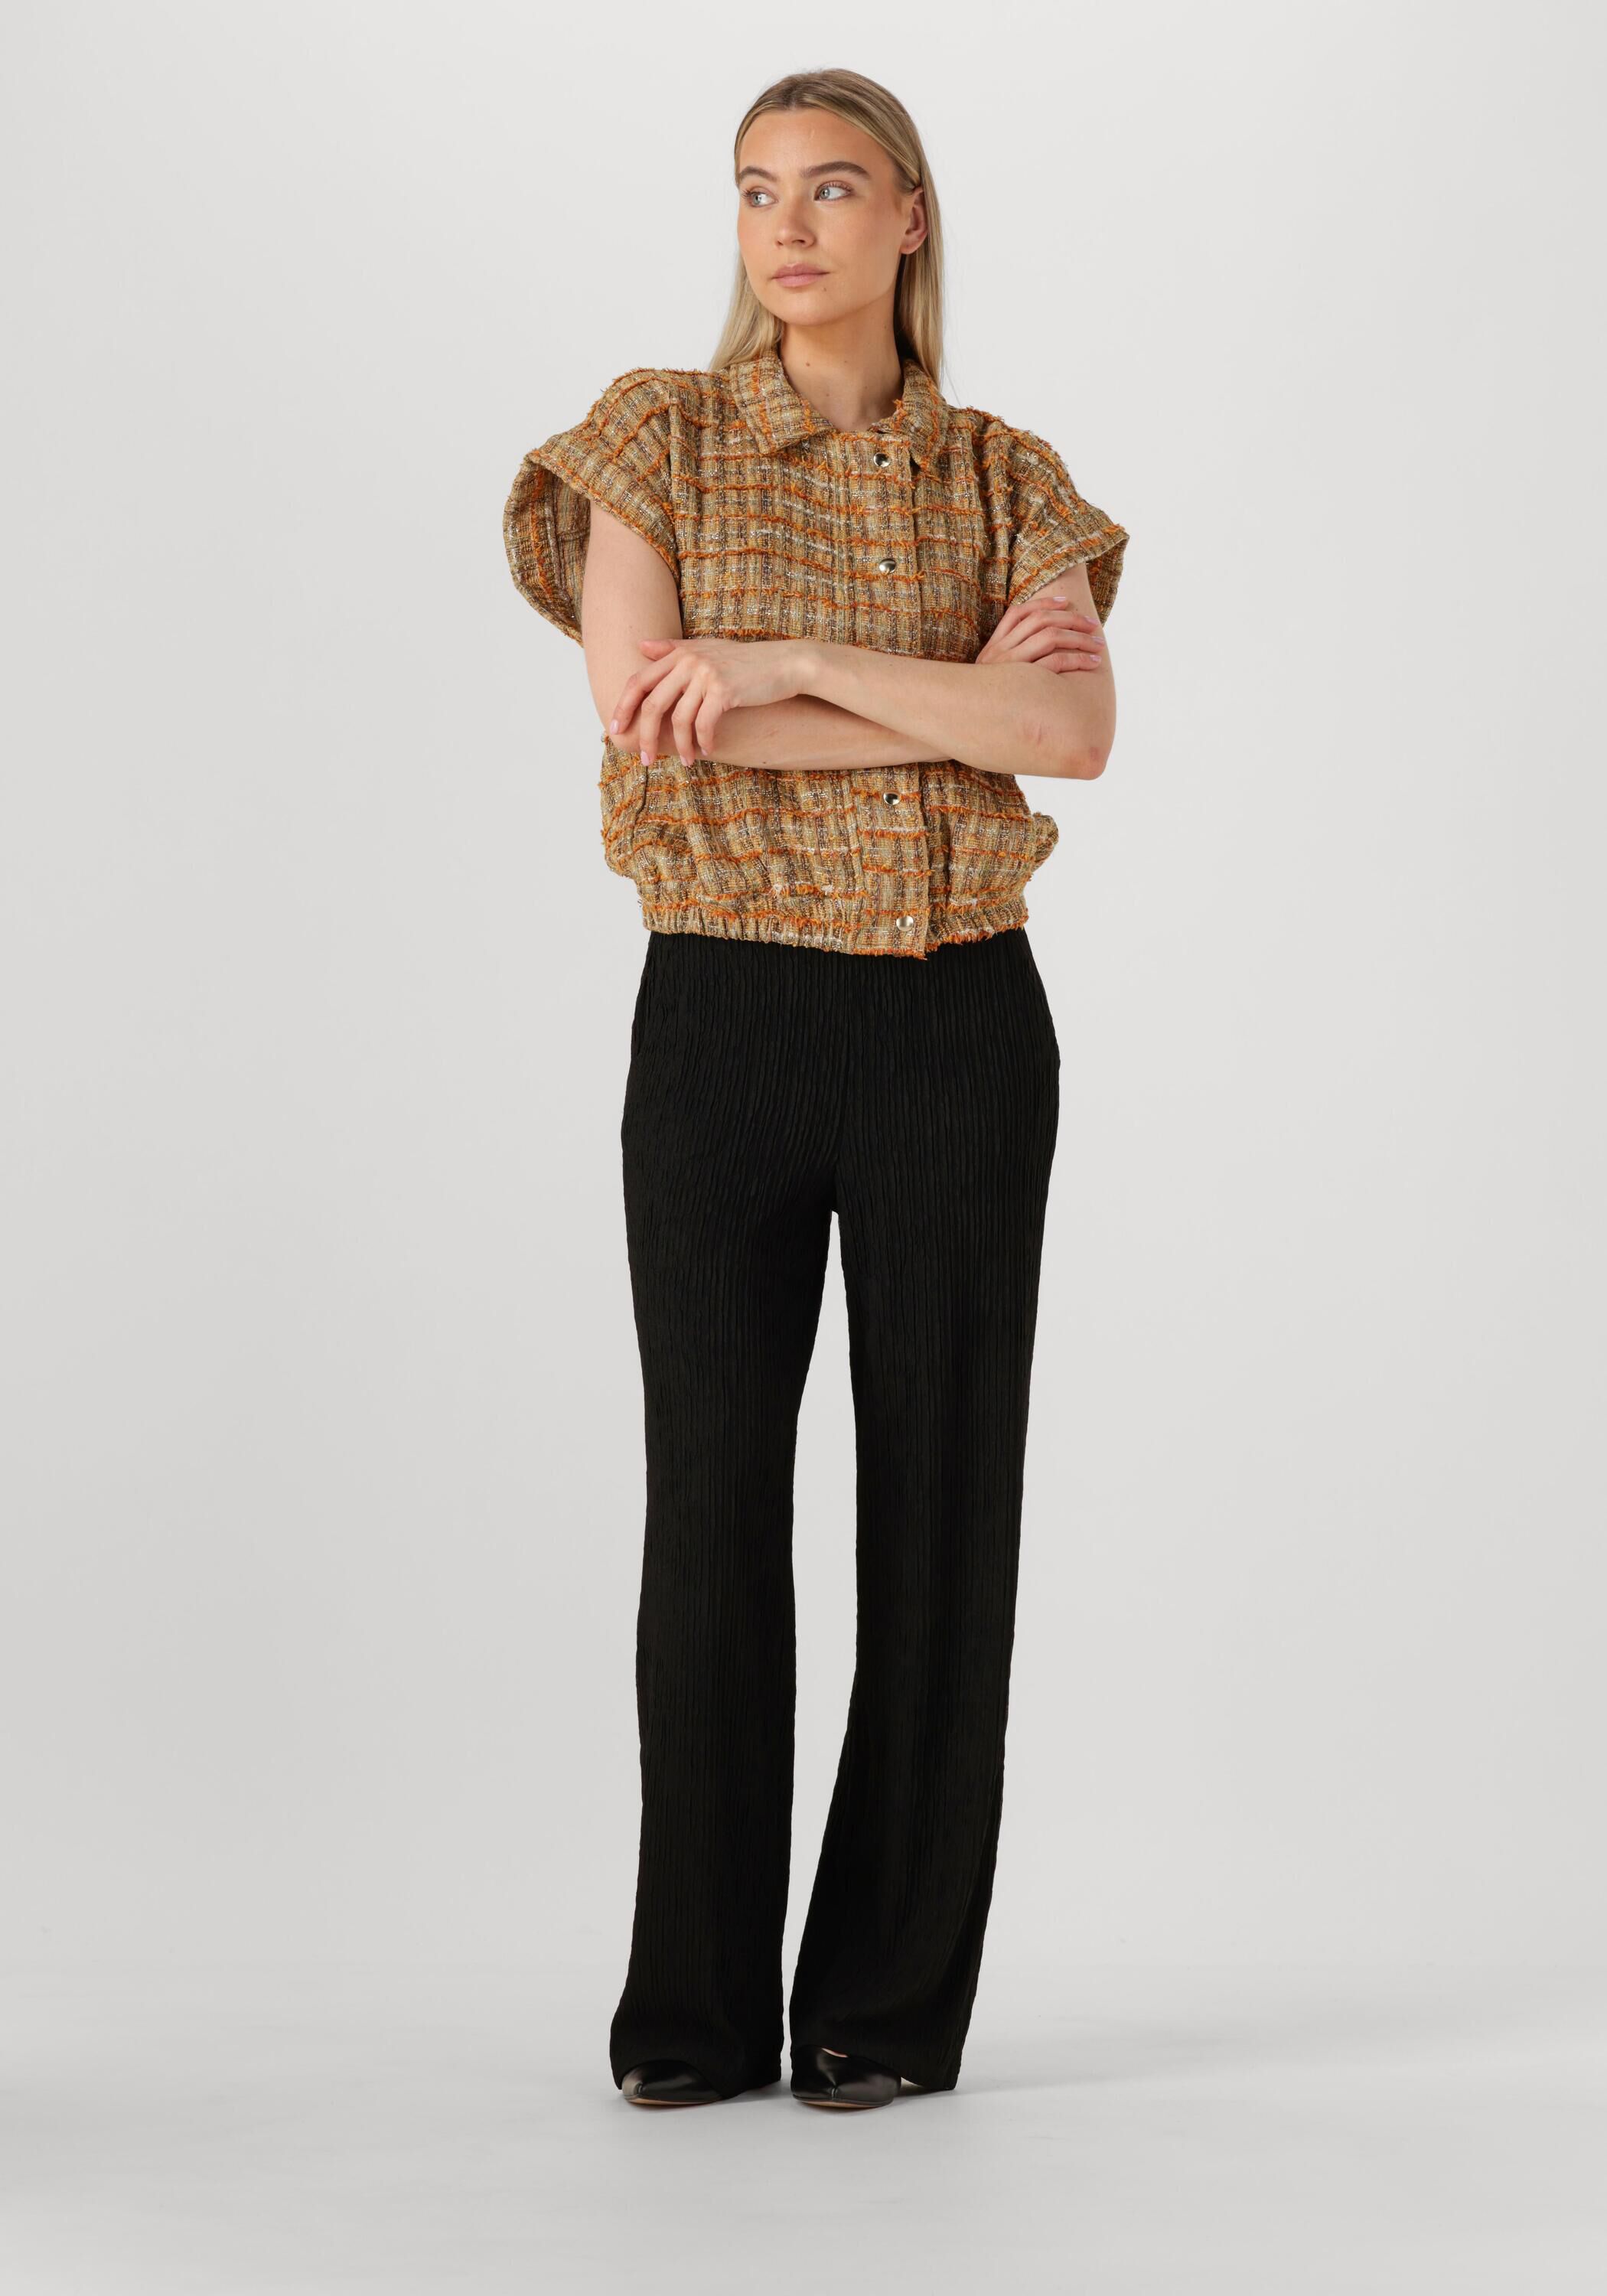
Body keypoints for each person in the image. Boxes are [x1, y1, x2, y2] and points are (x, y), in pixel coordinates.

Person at [502, 66, 1128, 2112]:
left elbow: (1073, 733)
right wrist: (943, 707)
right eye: (757, 188)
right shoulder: (652, 442)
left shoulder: (1007, 481)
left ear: (909, 218)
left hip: (956, 1022)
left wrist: (790, 662)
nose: (787, 224)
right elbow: (650, 722)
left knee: (943, 1509)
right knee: (711, 1508)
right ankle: (688, 2010)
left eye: (834, 187)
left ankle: (881, 2007)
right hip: (724, 1017)